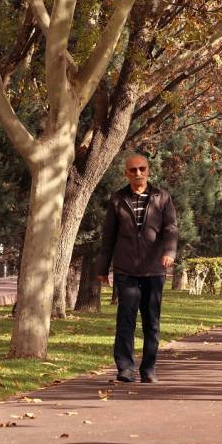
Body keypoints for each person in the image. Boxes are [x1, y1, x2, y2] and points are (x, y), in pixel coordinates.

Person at [96, 153, 179, 383]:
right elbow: (108, 236)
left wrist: (169, 252)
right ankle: (125, 368)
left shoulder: (162, 198)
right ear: (126, 173)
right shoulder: (117, 199)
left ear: (148, 170)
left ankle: (149, 369)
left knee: (151, 322)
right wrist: (103, 268)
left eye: (142, 169)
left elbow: (171, 228)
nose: (138, 173)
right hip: (126, 270)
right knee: (125, 320)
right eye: (133, 170)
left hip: (154, 270)